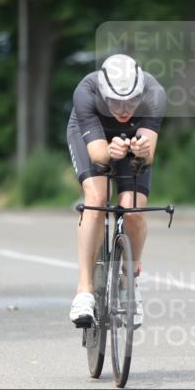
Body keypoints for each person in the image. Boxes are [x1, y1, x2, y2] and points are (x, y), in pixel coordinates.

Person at [67, 53, 166, 327]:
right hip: (92, 138)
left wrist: (142, 150)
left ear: (141, 92)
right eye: (114, 101)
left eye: (132, 101)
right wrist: (110, 151)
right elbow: (99, 156)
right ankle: (84, 290)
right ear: (103, 93)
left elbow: (148, 156)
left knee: (133, 211)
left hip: (131, 139)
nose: (123, 109)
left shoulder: (155, 94)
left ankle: (129, 282)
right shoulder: (86, 91)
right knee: (97, 199)